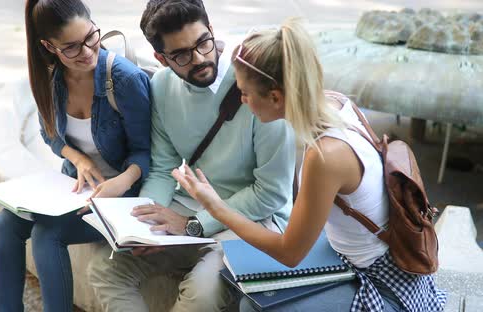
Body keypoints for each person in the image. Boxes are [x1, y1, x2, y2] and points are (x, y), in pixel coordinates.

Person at [173, 18, 448, 312]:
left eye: (245, 93)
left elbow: (290, 253)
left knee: (252, 306)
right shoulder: (336, 103)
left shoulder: (325, 155)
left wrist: (216, 208)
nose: (241, 100)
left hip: (383, 283)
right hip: (368, 255)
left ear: (275, 96)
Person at [88, 1, 296, 311]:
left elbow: (271, 193)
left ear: (212, 31)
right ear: (161, 58)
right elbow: (162, 167)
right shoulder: (161, 86)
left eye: (203, 42)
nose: (199, 58)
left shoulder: (259, 85)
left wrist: (194, 224)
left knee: (203, 293)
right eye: (182, 54)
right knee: (105, 269)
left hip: (255, 222)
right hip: (190, 211)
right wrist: (143, 226)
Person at [0, 0, 151, 311]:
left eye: (91, 37)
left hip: (124, 192)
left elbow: (148, 151)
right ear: (49, 47)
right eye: (72, 47)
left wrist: (121, 181)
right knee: (5, 224)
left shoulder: (125, 79)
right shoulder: (51, 80)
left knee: (46, 235)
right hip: (74, 188)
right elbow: (50, 134)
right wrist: (78, 159)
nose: (88, 52)